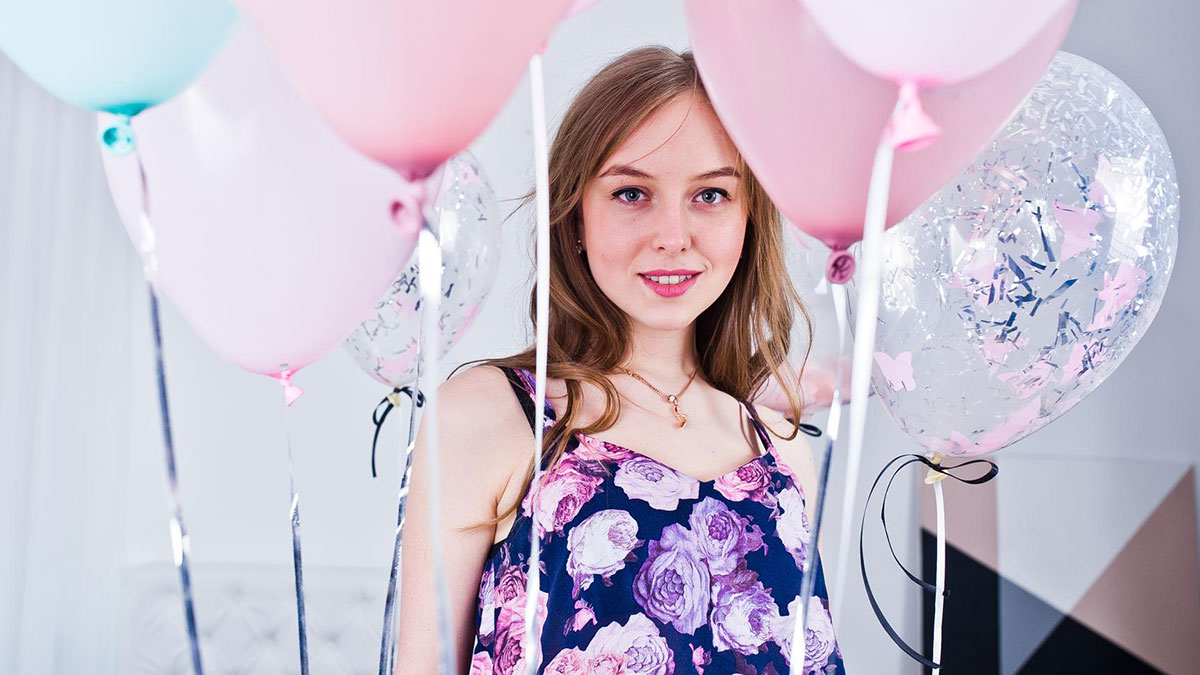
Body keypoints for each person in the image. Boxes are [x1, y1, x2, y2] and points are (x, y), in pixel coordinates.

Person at [396, 46, 844, 674]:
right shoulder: (491, 418)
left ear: (751, 218)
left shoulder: (785, 453)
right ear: (576, 215)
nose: (672, 235)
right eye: (632, 193)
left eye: (711, 195)